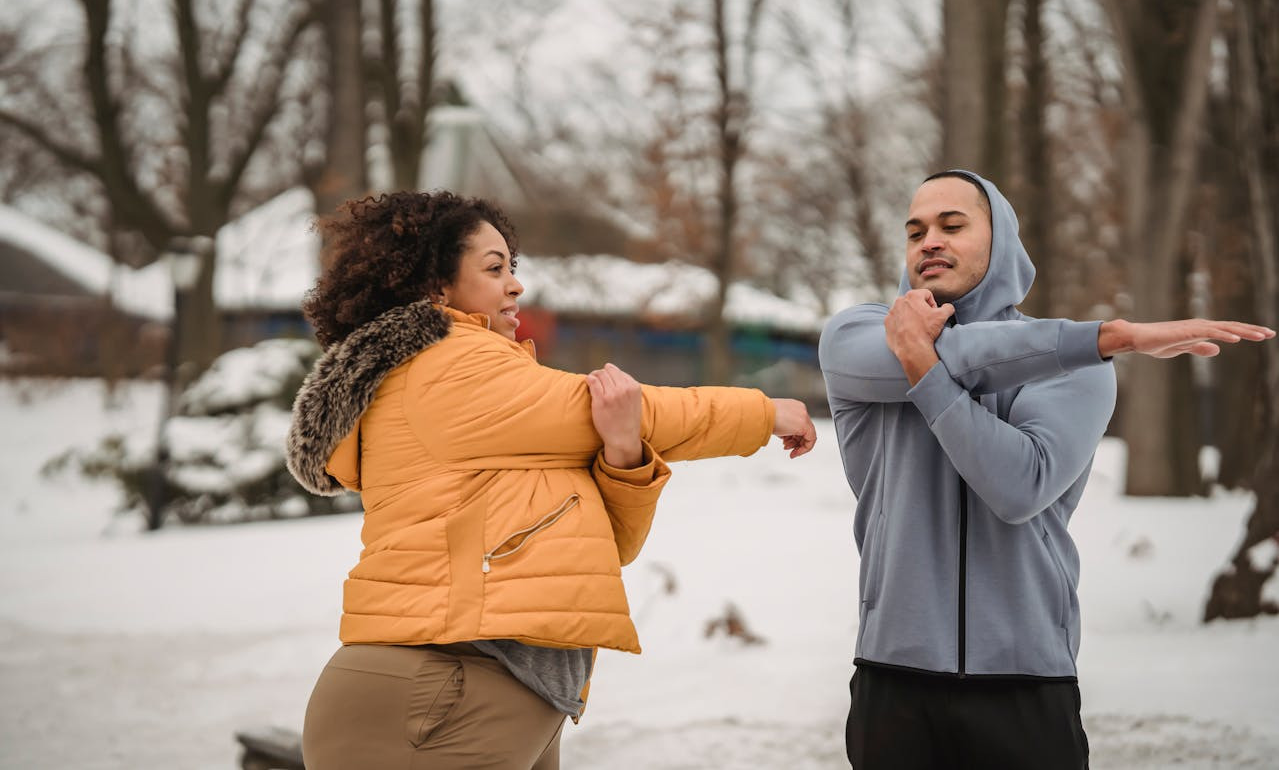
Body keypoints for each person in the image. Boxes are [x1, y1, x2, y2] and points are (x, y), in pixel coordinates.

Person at [286, 190, 817, 769]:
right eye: (494, 269)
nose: (515, 285)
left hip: (488, 686)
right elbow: (635, 406)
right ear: (435, 287)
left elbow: (605, 548)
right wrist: (764, 413)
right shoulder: (448, 366)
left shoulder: (490, 402)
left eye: (514, 267)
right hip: (438, 687)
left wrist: (623, 453)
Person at [819, 169, 1275, 770]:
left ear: (1001, 239)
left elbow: (1018, 486)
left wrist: (924, 372)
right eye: (916, 230)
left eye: (953, 225)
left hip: (1025, 681)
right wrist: (1110, 336)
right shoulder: (856, 338)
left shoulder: (1077, 364)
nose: (929, 240)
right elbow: (955, 352)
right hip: (892, 679)